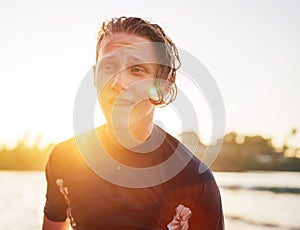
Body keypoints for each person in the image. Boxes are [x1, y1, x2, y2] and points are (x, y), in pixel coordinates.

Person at [42, 16, 224, 230]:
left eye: (137, 69)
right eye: (109, 67)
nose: (119, 83)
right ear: (95, 76)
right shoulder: (64, 159)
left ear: (164, 83)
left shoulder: (194, 182)